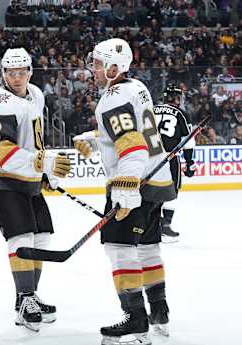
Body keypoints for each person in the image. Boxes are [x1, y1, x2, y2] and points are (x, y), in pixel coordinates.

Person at [73, 38, 177, 345]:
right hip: (156, 180)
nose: (92, 68)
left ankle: (135, 319)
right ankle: (159, 311)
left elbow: (132, 145)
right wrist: (97, 139)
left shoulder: (112, 98)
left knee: (119, 248)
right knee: (147, 247)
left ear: (113, 67)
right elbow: (129, 131)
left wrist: (125, 186)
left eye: (96, 63)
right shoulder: (136, 87)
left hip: (136, 181)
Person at [0, 47, 71, 332]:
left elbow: (35, 139)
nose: (17, 77)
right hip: (2, 178)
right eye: (11, 72)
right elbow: (3, 151)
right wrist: (40, 162)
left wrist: (43, 172)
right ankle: (26, 299)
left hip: (28, 176)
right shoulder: (0, 103)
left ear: (30, 71)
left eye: (22, 71)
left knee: (42, 235)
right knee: (21, 236)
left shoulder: (36, 94)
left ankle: (28, 296)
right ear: (3, 73)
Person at [154, 84, 196, 242]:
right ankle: (164, 228)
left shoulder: (152, 110)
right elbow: (188, 142)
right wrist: (190, 162)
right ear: (176, 98)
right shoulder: (182, 114)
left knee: (150, 192)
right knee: (171, 193)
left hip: (149, 158)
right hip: (170, 158)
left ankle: (150, 228)